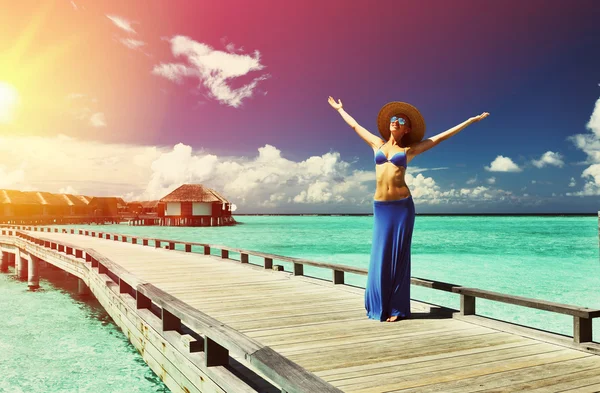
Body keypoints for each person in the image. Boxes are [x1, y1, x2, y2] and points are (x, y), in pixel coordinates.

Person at [328, 96, 489, 322]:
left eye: (400, 120)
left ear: (407, 129)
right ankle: (378, 304)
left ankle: (396, 308)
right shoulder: (377, 143)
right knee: (380, 254)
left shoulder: (408, 150)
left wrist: (469, 121)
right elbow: (354, 125)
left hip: (403, 207)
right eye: (393, 119)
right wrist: (340, 109)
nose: (395, 121)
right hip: (381, 207)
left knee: (399, 256)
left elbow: (441, 137)